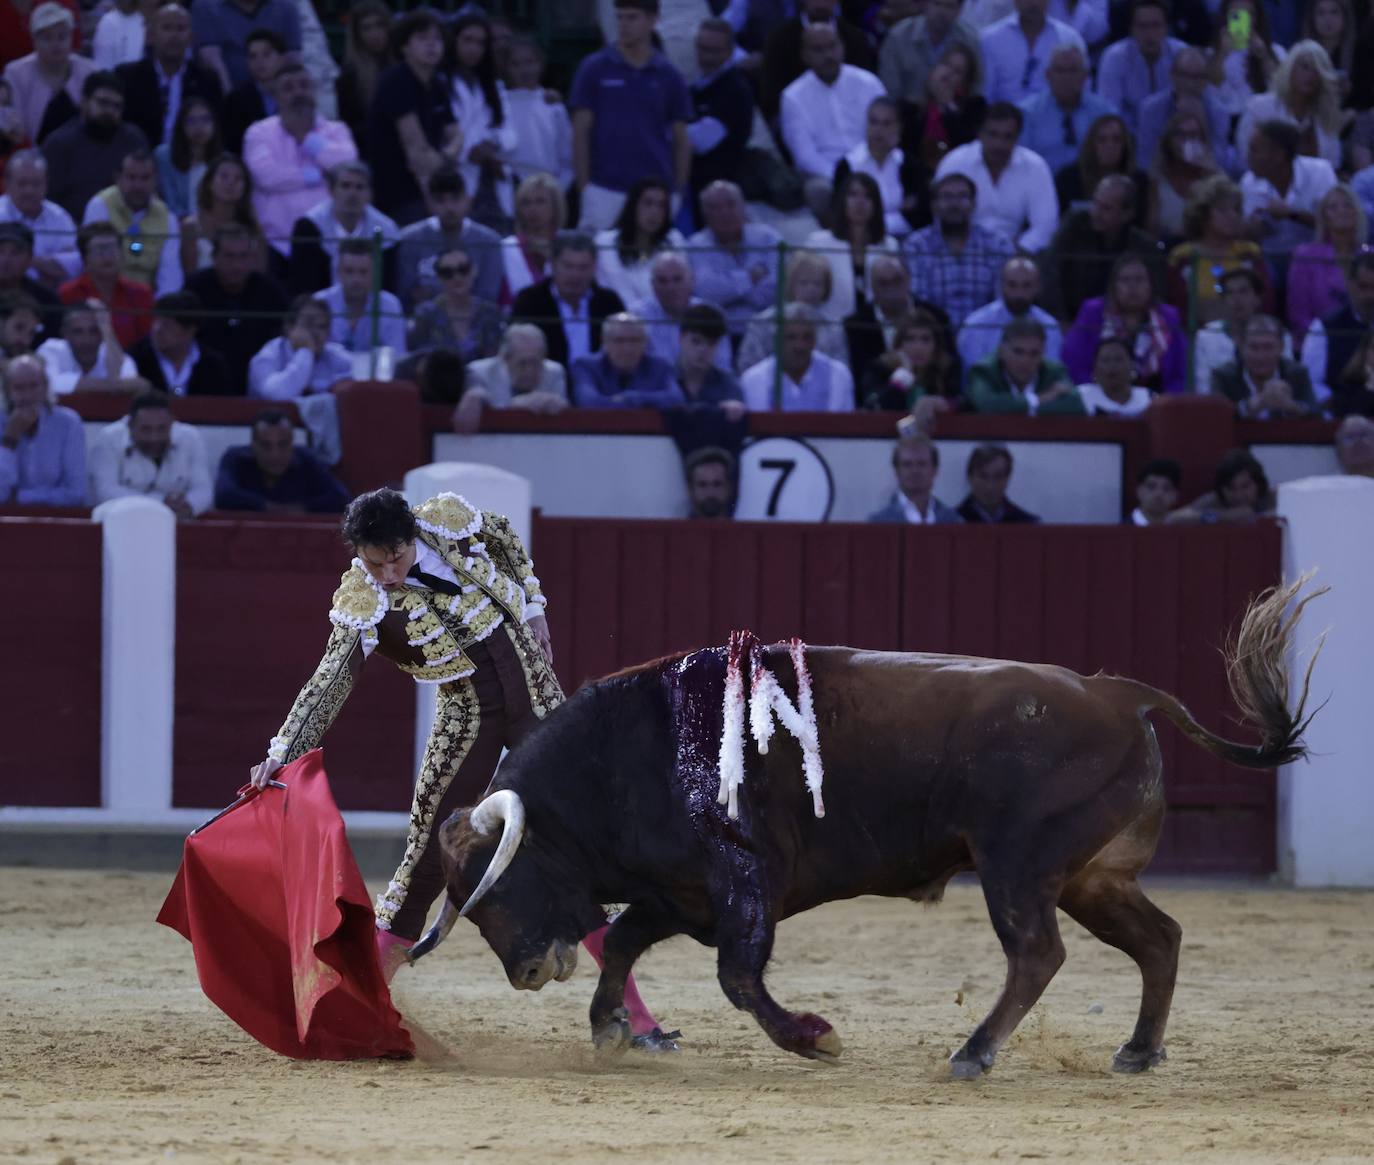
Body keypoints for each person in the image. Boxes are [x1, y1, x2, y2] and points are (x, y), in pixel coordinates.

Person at [244, 487, 679, 1049]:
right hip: (466, 722)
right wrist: (282, 750)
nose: (387, 574)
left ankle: (632, 1020)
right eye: (373, 563)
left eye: (395, 559)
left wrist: (532, 608)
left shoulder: (446, 522)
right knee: (427, 857)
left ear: (411, 537)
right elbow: (330, 681)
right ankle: (356, 1009)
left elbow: (502, 538)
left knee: (582, 845)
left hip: (541, 709)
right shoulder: (363, 600)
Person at [569, 0, 691, 231]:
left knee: (651, 259)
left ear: (654, 20)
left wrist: (677, 192)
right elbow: (580, 132)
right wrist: (585, 188)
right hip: (603, 187)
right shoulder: (593, 68)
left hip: (655, 189)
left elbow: (682, 140)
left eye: (632, 17)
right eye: (620, 17)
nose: (623, 25)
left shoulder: (670, 75)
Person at [244, 59, 358, 257]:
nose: (298, 93)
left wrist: (306, 138)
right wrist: (319, 175)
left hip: (329, 242)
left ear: (313, 90)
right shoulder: (259, 132)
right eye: (288, 88)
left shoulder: (336, 130)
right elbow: (266, 177)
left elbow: (347, 168)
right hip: (275, 243)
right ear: (276, 96)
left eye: (304, 86)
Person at [781, 24, 886, 222]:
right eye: (818, 50)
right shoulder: (792, 97)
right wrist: (843, 177)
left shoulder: (868, 83)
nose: (828, 55)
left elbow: (886, 132)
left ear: (842, 48)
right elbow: (804, 156)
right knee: (817, 190)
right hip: (826, 175)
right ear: (805, 55)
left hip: (873, 164)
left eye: (832, 46)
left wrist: (864, 171)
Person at [364, 8, 460, 225]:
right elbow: (416, 151)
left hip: (432, 187)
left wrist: (446, 156)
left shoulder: (438, 83)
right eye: (422, 38)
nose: (432, 44)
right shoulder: (396, 81)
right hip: (399, 194)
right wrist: (446, 160)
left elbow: (456, 135)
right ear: (404, 46)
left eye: (437, 39)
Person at [933, 101, 1058, 252]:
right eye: (993, 134)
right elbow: (941, 216)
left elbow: (1045, 227)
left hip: (1018, 254)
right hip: (960, 251)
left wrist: (1015, 253)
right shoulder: (955, 162)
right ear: (980, 133)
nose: (999, 144)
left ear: (1018, 137)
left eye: (1008, 137)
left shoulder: (1035, 167)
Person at [1062, 253, 1186, 394]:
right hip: (1099, 397)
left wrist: (1164, 404)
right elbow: (1075, 365)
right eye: (1125, 280)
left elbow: (1180, 373)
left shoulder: (1168, 317)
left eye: (1139, 279)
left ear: (1151, 284)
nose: (1132, 287)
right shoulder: (1092, 312)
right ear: (1113, 286)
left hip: (1156, 401)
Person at [1042, 175, 1160, 322]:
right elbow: (1049, 273)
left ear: (1127, 214)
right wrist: (1061, 321)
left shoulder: (1144, 248)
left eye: (1106, 208)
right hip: (1071, 321)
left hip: (1124, 327)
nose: (1095, 213)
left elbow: (1156, 297)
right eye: (1095, 203)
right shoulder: (1074, 226)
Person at [904, 172, 1013, 331]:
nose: (954, 204)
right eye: (947, 197)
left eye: (962, 197)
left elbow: (1001, 304)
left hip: (986, 336)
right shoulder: (916, 246)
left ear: (974, 203)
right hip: (935, 337)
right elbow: (919, 304)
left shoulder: (998, 245)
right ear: (934, 205)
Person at [185, 223, 288, 387]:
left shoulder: (271, 293)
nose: (237, 265)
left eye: (243, 256)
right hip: (203, 381)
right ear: (214, 257)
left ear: (253, 258)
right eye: (229, 256)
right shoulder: (194, 290)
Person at [40, 72, 149, 222]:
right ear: (84, 101)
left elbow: (149, 192)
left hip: (128, 234)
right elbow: (48, 203)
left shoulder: (133, 140)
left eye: (117, 106)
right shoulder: (59, 144)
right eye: (103, 103)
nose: (110, 111)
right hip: (72, 235)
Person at [87, 388, 212, 516]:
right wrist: (160, 504)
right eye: (146, 429)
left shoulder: (190, 437)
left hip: (178, 523)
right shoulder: (109, 438)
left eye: (162, 428)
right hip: (123, 522)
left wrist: (188, 506)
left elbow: (203, 490)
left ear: (172, 422)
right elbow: (105, 491)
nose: (154, 437)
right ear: (130, 425)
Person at [511, 230, 626, 370]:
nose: (575, 275)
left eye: (583, 268)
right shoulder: (529, 301)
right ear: (553, 265)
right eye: (568, 266)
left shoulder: (610, 303)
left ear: (594, 268)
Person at [114, 3, 222, 150]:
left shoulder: (207, 80)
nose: (174, 35)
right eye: (167, 28)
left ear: (191, 38)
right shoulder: (127, 77)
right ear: (151, 35)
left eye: (181, 28)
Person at [1167, 174, 1270, 325]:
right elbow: (1176, 308)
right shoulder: (1182, 257)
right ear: (1203, 215)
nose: (1233, 216)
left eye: (1236, 209)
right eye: (1223, 210)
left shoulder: (1249, 253)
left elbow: (1265, 303)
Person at [394, 166, 503, 310]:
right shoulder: (408, 239)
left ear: (468, 200)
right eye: (441, 200)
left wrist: (430, 293)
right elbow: (406, 296)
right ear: (429, 203)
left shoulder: (490, 242)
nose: (449, 208)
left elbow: (487, 298)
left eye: (456, 199)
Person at [686, 180, 781, 342]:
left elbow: (777, 289)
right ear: (704, 215)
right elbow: (706, 293)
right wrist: (750, 278)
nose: (724, 212)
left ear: (743, 207)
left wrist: (730, 291)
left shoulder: (768, 238)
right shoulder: (695, 245)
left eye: (730, 204)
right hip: (718, 336)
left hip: (769, 333)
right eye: (715, 207)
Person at [448, 12, 516, 233]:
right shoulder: (441, 83)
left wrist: (492, 145)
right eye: (467, 40)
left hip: (494, 182)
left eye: (480, 43)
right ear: (454, 41)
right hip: (458, 180)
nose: (473, 48)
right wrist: (469, 150)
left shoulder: (493, 86)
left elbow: (511, 135)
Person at [82, 148, 182, 296]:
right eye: (131, 177)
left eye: (145, 178)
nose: (138, 186)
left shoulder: (167, 218)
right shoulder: (100, 205)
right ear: (119, 178)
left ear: (155, 180)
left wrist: (160, 311)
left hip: (148, 302)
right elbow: (93, 264)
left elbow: (170, 277)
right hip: (105, 296)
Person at [1235, 40, 1344, 173]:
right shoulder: (1259, 108)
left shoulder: (1326, 118)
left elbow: (1332, 166)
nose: (1311, 75)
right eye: (1305, 67)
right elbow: (1244, 157)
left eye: (1317, 71)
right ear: (1290, 68)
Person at [760, 0, 875, 124]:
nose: (820, 3)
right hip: (799, 123)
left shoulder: (855, 38)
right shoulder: (779, 40)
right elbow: (771, 99)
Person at [735, 249, 849, 375]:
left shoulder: (834, 327)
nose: (811, 289)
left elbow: (840, 372)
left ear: (826, 287)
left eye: (817, 284)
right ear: (791, 284)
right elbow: (748, 369)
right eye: (804, 283)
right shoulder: (763, 323)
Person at [214, 408, 349, 513]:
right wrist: (265, 507)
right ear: (254, 445)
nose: (275, 454)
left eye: (283, 444)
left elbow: (341, 498)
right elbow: (223, 495)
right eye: (266, 446)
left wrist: (302, 509)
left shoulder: (306, 459)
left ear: (292, 443)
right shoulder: (236, 458)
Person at [1241, 118, 1338, 263]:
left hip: (1316, 259)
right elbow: (1250, 233)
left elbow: (1336, 224)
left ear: (1279, 156)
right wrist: (1255, 227)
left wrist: (1293, 214)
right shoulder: (1248, 181)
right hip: (1267, 260)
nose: (1248, 156)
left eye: (1255, 151)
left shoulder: (1321, 171)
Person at [1017, 44, 1117, 179]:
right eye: (1060, 70)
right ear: (1048, 75)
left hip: (1092, 189)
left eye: (1073, 70)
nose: (1066, 77)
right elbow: (1022, 164)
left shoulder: (1104, 113)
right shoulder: (1026, 113)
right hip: (1042, 187)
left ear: (1085, 76)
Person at [686, 18, 754, 217]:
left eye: (714, 50)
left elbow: (698, 142)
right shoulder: (699, 86)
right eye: (702, 48)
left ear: (730, 52)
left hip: (717, 196)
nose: (706, 57)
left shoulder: (735, 92)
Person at [2, 3, 95, 144]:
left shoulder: (90, 71)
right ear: (34, 41)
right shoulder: (15, 73)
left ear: (71, 37)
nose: (55, 44)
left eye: (62, 37)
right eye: (47, 38)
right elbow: (13, 130)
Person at [295, 160, 399, 286]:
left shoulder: (386, 229)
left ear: (370, 194)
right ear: (331, 190)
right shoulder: (309, 226)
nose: (352, 194)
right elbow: (304, 282)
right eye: (345, 186)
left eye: (360, 187)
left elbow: (387, 282)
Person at [0, 352, 86, 505]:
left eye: (34, 386)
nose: (28, 395)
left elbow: (76, 493)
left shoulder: (69, 423)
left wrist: (20, 497)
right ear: (7, 391)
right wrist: (9, 440)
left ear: (45, 386)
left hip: (57, 521)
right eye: (19, 388)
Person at [1136, 47, 1236, 178]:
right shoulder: (1150, 109)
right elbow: (1145, 162)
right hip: (1161, 180)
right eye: (1185, 76)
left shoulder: (1219, 112)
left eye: (1198, 77)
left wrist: (1202, 122)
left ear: (1206, 80)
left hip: (1203, 180)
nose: (1191, 84)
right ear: (1173, 75)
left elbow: (1219, 164)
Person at [1286, 184, 1365, 347]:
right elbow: (1298, 313)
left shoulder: (1369, 256)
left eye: (1347, 205)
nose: (1341, 211)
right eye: (1333, 207)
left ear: (1357, 213)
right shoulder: (1306, 256)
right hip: (1318, 340)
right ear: (1324, 217)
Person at [832, 96, 921, 240]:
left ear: (899, 127)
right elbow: (841, 213)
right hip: (856, 238)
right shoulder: (847, 165)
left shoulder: (910, 165)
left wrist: (868, 219)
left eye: (886, 124)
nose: (878, 130)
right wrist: (897, 215)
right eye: (874, 122)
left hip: (902, 239)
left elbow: (917, 216)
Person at [456, 323, 569, 433]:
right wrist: (516, 404)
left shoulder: (555, 372)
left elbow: (565, 413)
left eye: (535, 363)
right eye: (523, 363)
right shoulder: (480, 373)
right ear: (505, 359)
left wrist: (557, 404)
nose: (529, 370)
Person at [740, 303, 854, 412]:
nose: (800, 346)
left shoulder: (838, 375)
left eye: (807, 337)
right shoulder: (754, 380)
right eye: (791, 337)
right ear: (777, 340)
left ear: (815, 340)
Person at [1193, 267, 1289, 394]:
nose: (1236, 299)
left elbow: (1286, 378)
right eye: (1230, 293)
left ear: (1257, 298)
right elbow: (1203, 387)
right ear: (1223, 299)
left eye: (1243, 292)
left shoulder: (1279, 333)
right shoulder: (1205, 336)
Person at [1095, 0, 1185, 134]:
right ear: (1132, 29)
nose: (1150, 34)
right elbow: (1109, 112)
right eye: (1143, 27)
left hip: (1174, 136)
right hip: (1127, 139)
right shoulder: (1114, 58)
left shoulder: (1181, 54)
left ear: (1166, 28)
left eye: (1156, 26)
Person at [958, 255, 1063, 371]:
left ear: (1037, 287)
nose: (1019, 293)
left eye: (1026, 285)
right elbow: (974, 375)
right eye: (1012, 285)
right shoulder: (976, 325)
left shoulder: (1050, 326)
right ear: (1001, 285)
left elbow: (1051, 373)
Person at [594, 177, 684, 311]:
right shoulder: (605, 242)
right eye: (648, 203)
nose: (655, 212)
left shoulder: (674, 240)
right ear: (633, 205)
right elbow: (614, 289)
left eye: (661, 205)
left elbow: (682, 289)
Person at [59, 222, 153, 349]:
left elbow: (147, 342)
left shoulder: (141, 293)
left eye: (112, 248)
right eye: (100, 249)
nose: (107, 256)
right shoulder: (68, 294)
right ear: (85, 258)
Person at [878, 0, 981, 113]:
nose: (942, 12)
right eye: (937, 3)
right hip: (906, 119)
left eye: (949, 6)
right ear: (925, 5)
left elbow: (976, 90)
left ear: (959, 10)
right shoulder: (898, 38)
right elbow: (890, 92)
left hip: (955, 119)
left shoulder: (970, 41)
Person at [636, 251, 730, 374]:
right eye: (662, 281)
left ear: (692, 281)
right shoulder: (638, 318)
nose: (670, 287)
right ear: (652, 285)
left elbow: (722, 368)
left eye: (677, 279)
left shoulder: (711, 314)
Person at [1301, 250, 1374, 406]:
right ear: (1350, 284)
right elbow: (1312, 382)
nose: (1370, 296)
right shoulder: (1324, 326)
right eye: (1364, 287)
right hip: (1339, 416)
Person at [978, 0, 1086, 106]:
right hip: (1003, 119)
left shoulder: (1069, 39)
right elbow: (985, 93)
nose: (1033, 3)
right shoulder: (990, 40)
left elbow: (1082, 92)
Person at [967, 317, 1084, 414]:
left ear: (1043, 353)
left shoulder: (1055, 372)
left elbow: (1075, 405)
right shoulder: (983, 371)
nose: (1026, 361)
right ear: (1001, 351)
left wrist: (1017, 408)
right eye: (1018, 352)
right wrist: (1038, 399)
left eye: (1034, 353)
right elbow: (988, 405)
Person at [128, 289, 232, 396]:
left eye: (167, 324)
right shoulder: (136, 360)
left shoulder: (213, 365)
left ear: (190, 330)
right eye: (156, 321)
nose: (157, 329)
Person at [570, 312, 683, 410]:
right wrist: (647, 401)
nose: (627, 349)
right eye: (619, 341)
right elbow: (589, 402)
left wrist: (630, 398)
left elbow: (676, 399)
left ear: (645, 342)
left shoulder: (660, 366)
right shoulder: (586, 366)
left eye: (634, 341)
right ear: (604, 342)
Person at [407, 248, 502, 364]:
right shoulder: (425, 314)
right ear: (438, 277)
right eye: (447, 272)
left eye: (463, 269)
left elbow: (494, 360)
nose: (457, 277)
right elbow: (418, 359)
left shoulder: (489, 312)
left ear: (474, 271)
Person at [502, 37, 572, 192]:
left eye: (529, 62)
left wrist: (557, 190)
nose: (524, 70)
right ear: (506, 68)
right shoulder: (500, 104)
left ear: (540, 64)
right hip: (509, 187)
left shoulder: (553, 106)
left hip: (547, 187)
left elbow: (567, 158)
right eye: (516, 64)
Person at [0, 149, 79, 288]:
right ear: (7, 183)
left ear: (46, 184)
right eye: (22, 183)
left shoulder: (60, 217)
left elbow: (76, 264)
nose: (29, 191)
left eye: (36, 184)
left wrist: (24, 262)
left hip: (50, 296)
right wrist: (44, 264)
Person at [1211, 314, 1317, 417]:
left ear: (1281, 347)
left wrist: (1291, 406)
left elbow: (1316, 414)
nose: (1261, 356)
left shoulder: (1297, 374)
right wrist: (1251, 405)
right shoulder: (1223, 376)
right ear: (1241, 347)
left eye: (1268, 347)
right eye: (1254, 347)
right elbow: (1215, 417)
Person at [248, 295, 351, 401]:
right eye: (308, 324)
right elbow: (277, 396)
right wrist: (305, 352)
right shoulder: (267, 357)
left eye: (322, 326)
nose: (315, 333)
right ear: (289, 327)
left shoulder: (339, 358)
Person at [317, 237, 405, 359]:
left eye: (363, 272)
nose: (356, 280)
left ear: (375, 273)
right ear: (338, 272)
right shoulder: (320, 303)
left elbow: (396, 356)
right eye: (349, 271)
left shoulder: (390, 306)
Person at [1053, 114, 1147, 223]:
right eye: (1102, 140)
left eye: (1116, 139)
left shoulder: (1139, 181)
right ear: (1092, 144)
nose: (1109, 145)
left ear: (1125, 144)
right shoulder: (1067, 179)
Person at [191, 0, 301, 93]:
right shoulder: (205, 6)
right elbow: (210, 59)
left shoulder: (286, 7)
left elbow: (292, 60)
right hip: (227, 97)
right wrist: (232, 101)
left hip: (278, 96)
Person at [179, 154, 262, 277]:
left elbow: (259, 277)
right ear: (209, 183)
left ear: (245, 188)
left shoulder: (254, 229)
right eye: (224, 176)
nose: (231, 183)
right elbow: (190, 278)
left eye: (238, 178)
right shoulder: (190, 227)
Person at [36, 299, 140, 394]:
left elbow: (136, 386)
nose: (87, 340)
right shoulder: (51, 350)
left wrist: (107, 328)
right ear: (65, 334)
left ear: (102, 335)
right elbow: (52, 384)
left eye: (94, 331)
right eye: (78, 332)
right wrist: (113, 386)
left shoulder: (117, 355)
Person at [862, 309, 957, 411]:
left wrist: (940, 403)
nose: (918, 347)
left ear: (936, 345)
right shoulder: (880, 369)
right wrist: (902, 377)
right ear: (899, 344)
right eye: (910, 339)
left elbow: (962, 404)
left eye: (926, 339)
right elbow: (873, 407)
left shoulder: (947, 369)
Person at [153, 96, 221, 220]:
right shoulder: (164, 156)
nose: (199, 126)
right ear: (181, 126)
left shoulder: (223, 160)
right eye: (191, 121)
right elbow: (169, 202)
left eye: (205, 119)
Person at [335, 3, 391, 154]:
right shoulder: (350, 76)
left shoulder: (401, 65)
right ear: (357, 34)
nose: (375, 34)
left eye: (379, 25)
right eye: (366, 28)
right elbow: (348, 127)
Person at [1166, 448, 1275, 523]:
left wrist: (1260, 518)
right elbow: (1173, 518)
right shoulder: (1215, 500)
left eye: (1245, 486)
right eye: (1231, 488)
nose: (1238, 494)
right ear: (1222, 489)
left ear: (1259, 484)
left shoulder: (1272, 498)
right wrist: (1224, 516)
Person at [867, 435, 961, 523]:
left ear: (934, 470)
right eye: (907, 464)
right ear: (897, 471)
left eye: (922, 464)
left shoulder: (954, 521)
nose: (915, 471)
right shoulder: (879, 522)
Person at [221, 28, 285, 155]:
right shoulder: (235, 101)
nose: (260, 62)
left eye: (266, 54)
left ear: (281, 58)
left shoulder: (296, 94)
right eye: (253, 56)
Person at [675, 303, 744, 415]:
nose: (703, 349)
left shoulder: (729, 387)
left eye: (711, 343)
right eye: (696, 341)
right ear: (681, 338)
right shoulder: (662, 379)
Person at [956, 443, 1040, 523]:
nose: (990, 486)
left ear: (1008, 478)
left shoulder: (1028, 523)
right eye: (983, 476)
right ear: (969, 477)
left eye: (998, 477)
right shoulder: (951, 521)